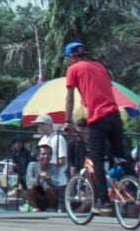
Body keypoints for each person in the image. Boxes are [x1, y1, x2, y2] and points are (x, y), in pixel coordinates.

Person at [63, 41, 130, 208]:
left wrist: (68, 121)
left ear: (71, 58)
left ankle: (102, 200)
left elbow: (69, 97)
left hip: (98, 117)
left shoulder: (73, 69)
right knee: (120, 155)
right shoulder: (99, 66)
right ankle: (134, 186)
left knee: (96, 158)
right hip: (114, 115)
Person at [23, 141, 59, 212]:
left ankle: (50, 207)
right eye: (43, 154)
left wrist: (48, 180)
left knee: (50, 189)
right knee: (30, 188)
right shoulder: (32, 165)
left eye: (48, 154)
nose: (46, 156)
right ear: (38, 157)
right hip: (36, 193)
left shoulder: (53, 167)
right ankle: (35, 207)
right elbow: (28, 182)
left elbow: (56, 184)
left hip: (47, 194)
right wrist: (37, 178)